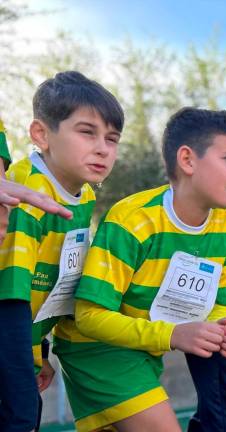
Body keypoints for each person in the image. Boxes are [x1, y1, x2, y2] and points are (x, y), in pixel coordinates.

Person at [53, 107, 226, 431]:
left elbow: (219, 305)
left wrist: (222, 330)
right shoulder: (132, 220)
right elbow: (89, 316)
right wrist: (173, 334)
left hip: (143, 350)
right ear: (187, 160)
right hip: (96, 351)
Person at [0, 71, 122, 431]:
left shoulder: (84, 196)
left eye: (112, 138)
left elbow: (54, 284)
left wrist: (41, 352)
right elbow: (9, 296)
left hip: (23, 346)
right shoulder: (26, 190)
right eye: (87, 132)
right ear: (41, 134)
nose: (102, 147)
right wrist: (23, 368)